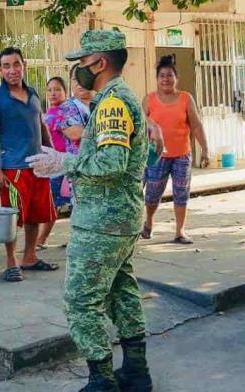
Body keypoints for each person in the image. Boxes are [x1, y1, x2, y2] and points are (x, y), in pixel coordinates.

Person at [27, 29, 152, 392]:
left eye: (82, 62)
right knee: (120, 292)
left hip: (103, 221)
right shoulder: (113, 98)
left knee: (80, 301)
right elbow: (103, 155)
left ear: (100, 62)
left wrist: (66, 162)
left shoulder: (113, 102)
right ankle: (135, 373)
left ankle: (102, 381)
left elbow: (112, 162)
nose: (78, 69)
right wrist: (70, 159)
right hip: (117, 218)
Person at [0, 46, 59, 283]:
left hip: (38, 165)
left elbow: (41, 125)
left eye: (16, 64)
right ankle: (11, 262)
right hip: (13, 170)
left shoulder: (34, 94)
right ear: (0, 70)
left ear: (24, 65)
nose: (12, 70)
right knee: (13, 217)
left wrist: (53, 156)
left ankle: (30, 256)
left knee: (36, 215)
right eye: (6, 66)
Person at [141, 54, 211, 244]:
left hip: (182, 155)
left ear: (176, 78)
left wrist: (205, 149)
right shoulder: (149, 99)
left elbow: (196, 125)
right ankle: (148, 223)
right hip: (157, 156)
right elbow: (140, 124)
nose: (166, 79)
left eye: (170, 75)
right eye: (162, 76)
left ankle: (180, 231)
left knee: (181, 193)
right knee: (153, 193)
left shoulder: (186, 98)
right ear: (157, 79)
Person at [35, 76, 69, 250]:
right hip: (52, 166)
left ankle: (41, 239)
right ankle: (42, 238)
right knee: (53, 203)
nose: (53, 93)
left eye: (57, 89)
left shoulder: (68, 112)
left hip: (65, 164)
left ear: (65, 91)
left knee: (54, 203)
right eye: (49, 89)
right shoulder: (49, 113)